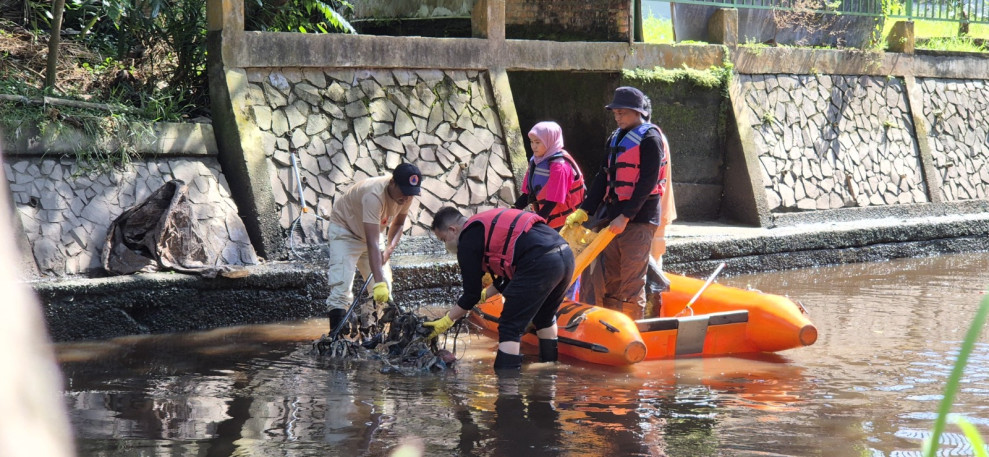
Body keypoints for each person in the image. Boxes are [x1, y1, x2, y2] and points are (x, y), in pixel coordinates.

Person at [424, 206, 575, 372]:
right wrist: (486, 294)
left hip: (540, 261)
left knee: (510, 326)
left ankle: (507, 387)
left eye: (443, 239)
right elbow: (509, 272)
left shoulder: (467, 240)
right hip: (565, 255)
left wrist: (446, 320)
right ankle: (549, 371)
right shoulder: (481, 226)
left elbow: (471, 295)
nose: (446, 245)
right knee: (544, 317)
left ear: (453, 230)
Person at [565, 86, 670, 320]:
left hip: (639, 219)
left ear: (637, 112)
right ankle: (613, 325)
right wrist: (584, 210)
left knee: (632, 280)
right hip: (613, 219)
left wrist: (626, 216)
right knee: (611, 276)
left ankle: (634, 327)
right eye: (615, 113)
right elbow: (603, 177)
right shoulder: (615, 137)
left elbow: (647, 182)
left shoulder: (650, 137)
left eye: (622, 112)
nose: (617, 116)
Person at [325, 163, 422, 335]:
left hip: (373, 235)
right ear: (392, 182)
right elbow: (372, 243)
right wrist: (378, 282)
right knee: (342, 286)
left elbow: (398, 223)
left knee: (385, 290)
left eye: (410, 194)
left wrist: (389, 249)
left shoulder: (407, 195)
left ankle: (371, 333)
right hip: (346, 232)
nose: (406, 198)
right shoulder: (374, 195)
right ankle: (336, 339)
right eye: (404, 192)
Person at [512, 121, 585, 230]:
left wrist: (538, 221)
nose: (533, 146)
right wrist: (512, 210)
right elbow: (528, 193)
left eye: (537, 142)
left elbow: (553, 200)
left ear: (550, 141)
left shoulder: (560, 166)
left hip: (565, 225)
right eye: (531, 142)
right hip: (547, 220)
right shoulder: (535, 162)